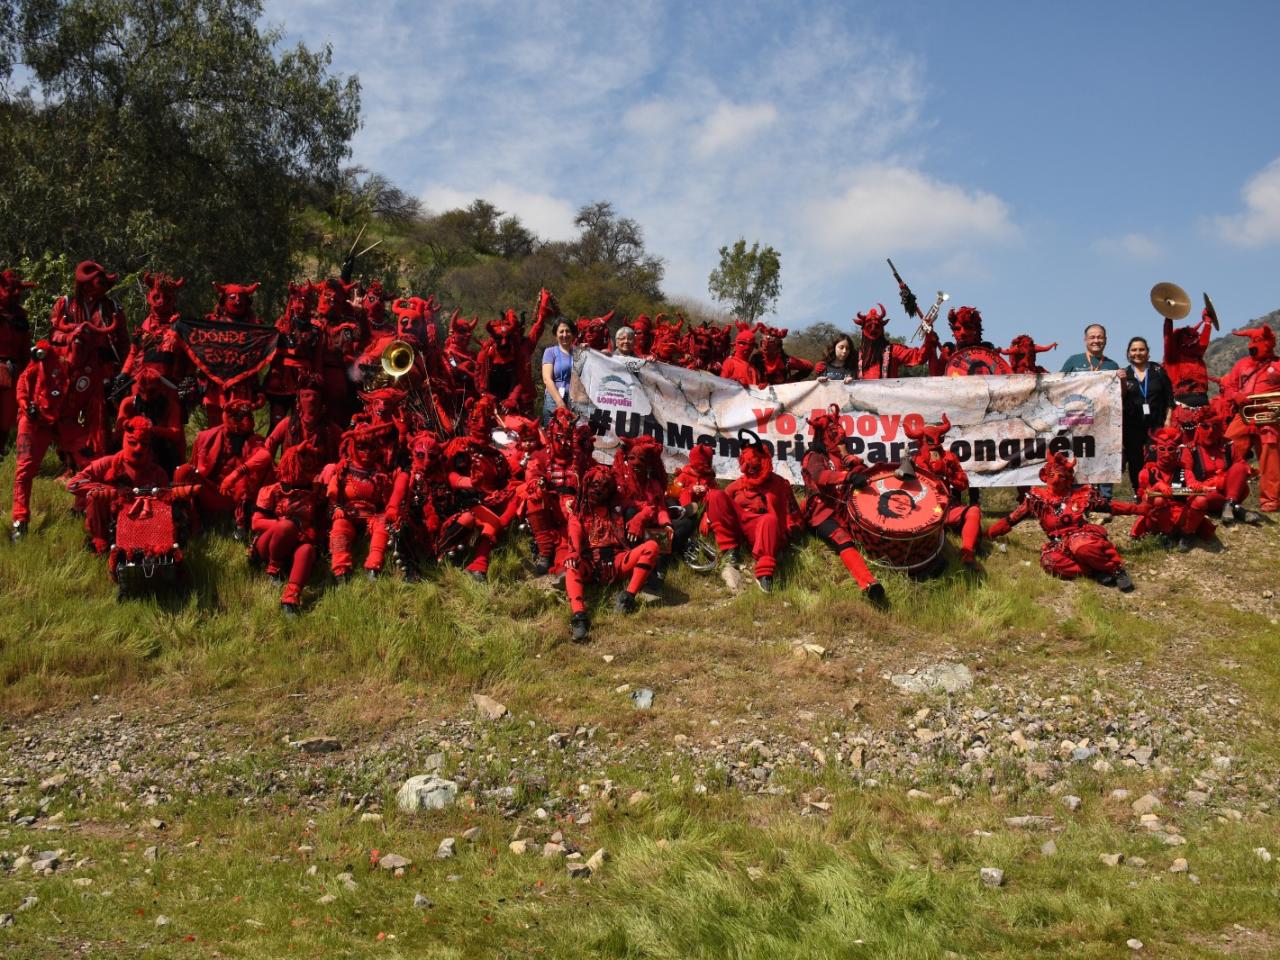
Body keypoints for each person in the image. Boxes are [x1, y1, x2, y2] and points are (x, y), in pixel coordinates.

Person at [1061, 323, 1120, 500]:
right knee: (1078, 458)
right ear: (1085, 340)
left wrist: (1122, 380)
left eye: (1100, 337)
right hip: (1078, 421)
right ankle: (1078, 498)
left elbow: (1119, 394)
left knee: (1105, 456)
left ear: (1106, 340)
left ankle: (1104, 499)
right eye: (1092, 337)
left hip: (1104, 421)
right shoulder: (1073, 361)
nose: (1096, 340)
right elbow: (1058, 385)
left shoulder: (1112, 365)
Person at [1119, 336, 1173, 490]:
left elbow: (1169, 397)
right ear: (1128, 353)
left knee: (1156, 457)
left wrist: (1168, 420)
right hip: (1132, 425)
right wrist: (1122, 382)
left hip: (1156, 424)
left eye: (1141, 349)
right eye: (1134, 350)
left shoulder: (1158, 370)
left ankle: (1157, 489)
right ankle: (1139, 491)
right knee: (1135, 459)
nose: (1138, 353)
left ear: (1147, 352)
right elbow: (1119, 398)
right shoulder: (1124, 374)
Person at [540, 318, 576, 424]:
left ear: (573, 334)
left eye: (568, 331)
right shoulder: (550, 352)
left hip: (575, 401)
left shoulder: (579, 353)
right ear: (555, 335)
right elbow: (547, 379)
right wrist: (560, 402)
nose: (564, 334)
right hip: (554, 400)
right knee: (554, 431)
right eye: (561, 331)